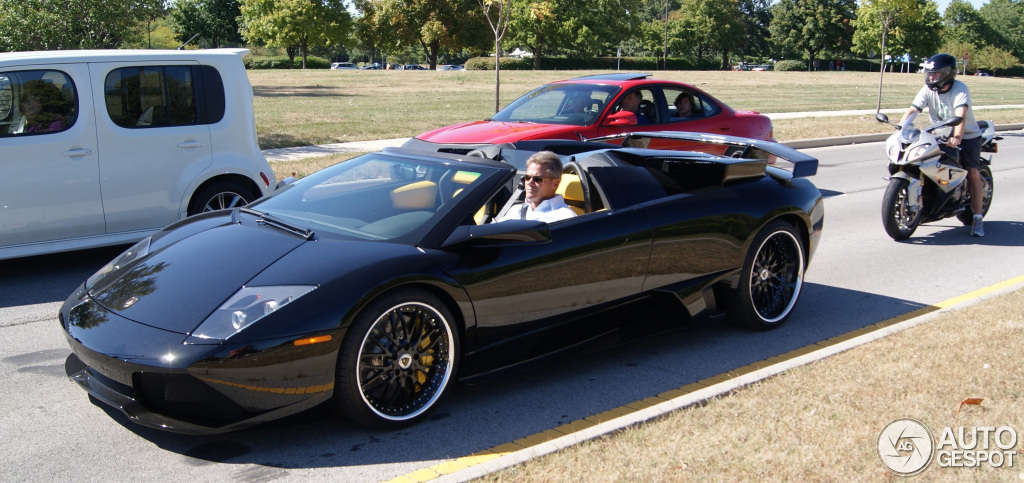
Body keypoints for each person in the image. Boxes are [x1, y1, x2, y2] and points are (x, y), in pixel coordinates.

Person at [899, 53, 986, 237]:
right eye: (930, 74)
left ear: (947, 73)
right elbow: (914, 109)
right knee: (922, 162)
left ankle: (977, 218)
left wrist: (957, 137)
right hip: (938, 133)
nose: (931, 77)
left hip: (967, 135)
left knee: (972, 173)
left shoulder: (960, 88)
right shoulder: (927, 89)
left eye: (936, 74)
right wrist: (901, 127)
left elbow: (960, 115)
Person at [496, 151, 577, 223]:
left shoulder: (564, 218)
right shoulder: (516, 210)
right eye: (527, 177)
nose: (530, 183)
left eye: (537, 179)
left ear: (555, 183)